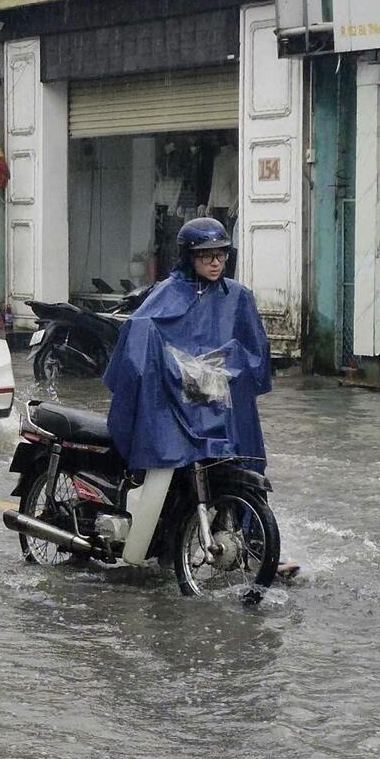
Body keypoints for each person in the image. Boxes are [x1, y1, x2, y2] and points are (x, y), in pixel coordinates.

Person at [104, 217, 293, 575]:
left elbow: (256, 355)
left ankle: (254, 546)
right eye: (206, 256)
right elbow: (139, 336)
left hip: (221, 408)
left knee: (243, 464)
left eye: (220, 254)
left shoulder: (238, 297)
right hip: (176, 407)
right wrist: (176, 368)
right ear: (190, 257)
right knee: (167, 464)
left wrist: (223, 367)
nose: (214, 262)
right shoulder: (168, 292)